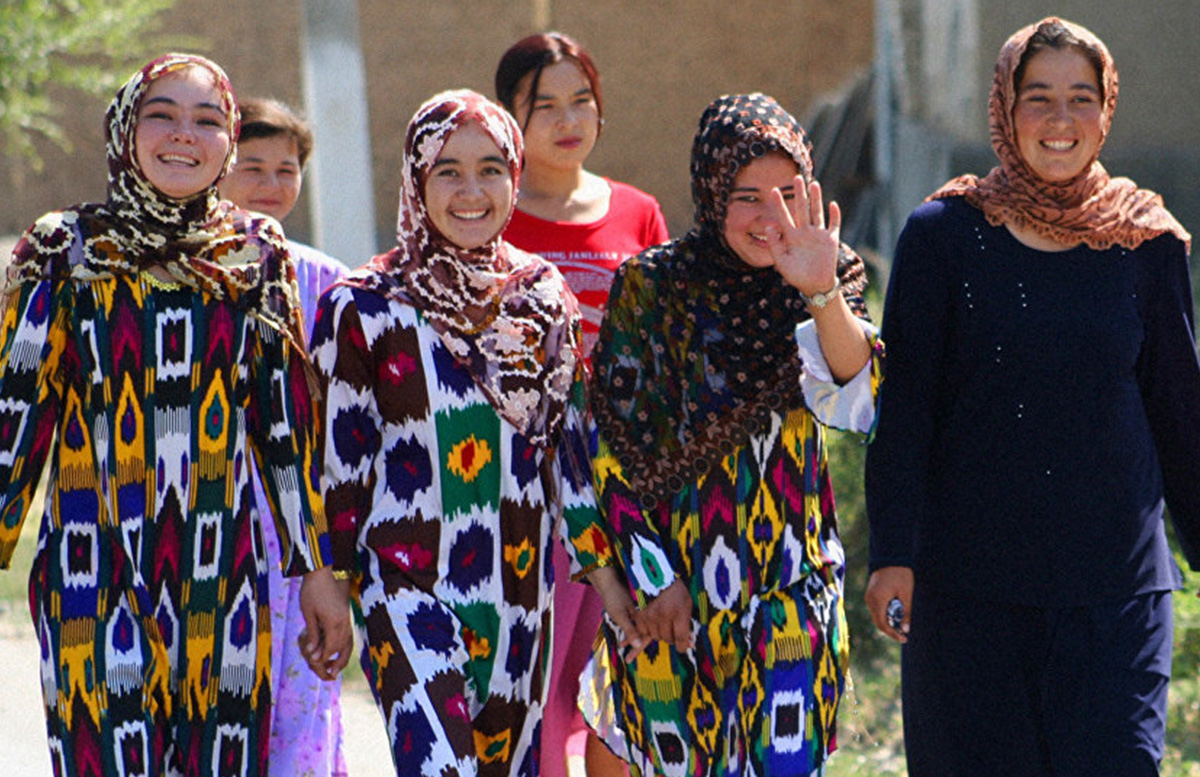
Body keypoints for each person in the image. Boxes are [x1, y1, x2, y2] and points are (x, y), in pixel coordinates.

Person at [864, 17, 1200, 776]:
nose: (1060, 120)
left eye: (1082, 98)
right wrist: (891, 552)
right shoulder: (942, 234)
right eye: (1038, 97)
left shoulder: (1145, 242)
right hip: (969, 593)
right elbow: (907, 407)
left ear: (1108, 109)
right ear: (1005, 111)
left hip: (1117, 593)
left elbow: (1179, 409)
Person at [0, 53, 352, 777]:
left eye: (207, 119)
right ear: (126, 128)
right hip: (88, 572)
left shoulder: (256, 254)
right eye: (161, 113)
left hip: (221, 579)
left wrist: (315, 570)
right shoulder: (64, 250)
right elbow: (14, 421)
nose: (184, 135)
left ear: (228, 141)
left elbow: (282, 424)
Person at [310, 89, 640, 777]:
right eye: (448, 170)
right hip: (405, 582)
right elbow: (339, 462)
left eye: (491, 168)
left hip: (520, 587)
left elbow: (568, 451)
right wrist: (331, 581)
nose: (471, 190)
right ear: (415, 176)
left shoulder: (541, 295)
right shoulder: (363, 304)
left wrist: (609, 581)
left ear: (515, 176)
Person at [584, 93, 883, 777]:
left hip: (789, 601)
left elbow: (858, 402)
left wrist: (819, 291)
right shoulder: (651, 288)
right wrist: (655, 577)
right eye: (746, 195)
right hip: (672, 604)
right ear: (712, 193)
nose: (769, 216)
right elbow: (607, 447)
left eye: (787, 192)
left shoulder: (826, 279)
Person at [493, 31, 669, 777]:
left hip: (621, 485)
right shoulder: (488, 211)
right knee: (538, 685)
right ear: (511, 118)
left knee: (621, 685)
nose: (568, 121)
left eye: (582, 101)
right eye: (545, 106)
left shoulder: (638, 210)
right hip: (520, 483)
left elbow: (665, 349)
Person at [218, 96, 350, 777]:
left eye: (287, 168)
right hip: (209, 523)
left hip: (298, 529)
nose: (271, 185)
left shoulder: (326, 281)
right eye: (253, 166)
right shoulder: (186, 274)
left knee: (302, 701)